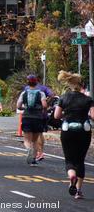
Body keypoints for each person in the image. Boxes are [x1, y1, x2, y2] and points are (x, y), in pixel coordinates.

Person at [54, 71, 94, 199]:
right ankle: (78, 191)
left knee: (69, 159)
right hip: (84, 131)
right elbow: (93, 116)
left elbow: (56, 116)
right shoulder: (88, 99)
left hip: (67, 131)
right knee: (80, 160)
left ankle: (71, 175)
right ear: (81, 85)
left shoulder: (63, 98)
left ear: (69, 84)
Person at [18, 75, 47, 166]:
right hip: (38, 118)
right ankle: (33, 160)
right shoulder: (41, 93)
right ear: (36, 82)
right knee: (35, 140)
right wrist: (42, 111)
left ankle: (28, 149)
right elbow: (45, 105)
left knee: (27, 140)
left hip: (27, 117)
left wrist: (24, 108)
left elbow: (18, 106)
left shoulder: (24, 93)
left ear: (28, 83)